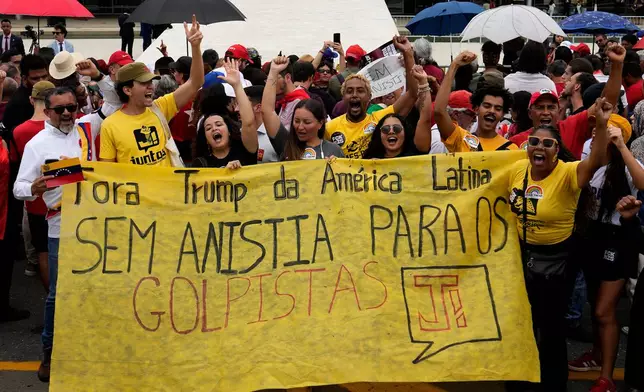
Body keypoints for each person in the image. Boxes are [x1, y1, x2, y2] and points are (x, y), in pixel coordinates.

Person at [506, 97, 612, 392]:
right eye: (534, 142)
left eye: (547, 144)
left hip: (558, 263)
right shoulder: (517, 170)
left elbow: (599, 159)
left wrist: (602, 123)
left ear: (556, 152)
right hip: (521, 260)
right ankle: (519, 383)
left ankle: (553, 386)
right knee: (522, 326)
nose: (539, 147)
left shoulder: (568, 172)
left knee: (551, 330)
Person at [568, 119, 644, 392]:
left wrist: (622, 145)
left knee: (603, 310)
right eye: (594, 129)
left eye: (601, 130)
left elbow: (642, 182)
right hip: (592, 236)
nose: (594, 133)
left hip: (619, 239)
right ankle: (597, 356)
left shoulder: (626, 162)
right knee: (593, 300)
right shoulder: (591, 155)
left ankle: (606, 377)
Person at [100, 15, 205, 168]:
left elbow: (196, 82)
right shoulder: (110, 125)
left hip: (169, 190)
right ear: (127, 90)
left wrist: (195, 47)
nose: (151, 86)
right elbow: (107, 172)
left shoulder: (160, 108)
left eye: (151, 82)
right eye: (143, 83)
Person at [510, 45, 625, 158]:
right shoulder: (516, 142)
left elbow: (605, 104)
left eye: (551, 107)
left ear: (558, 110)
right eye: (540, 107)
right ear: (530, 113)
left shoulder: (571, 127)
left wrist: (617, 65)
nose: (546, 112)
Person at [324, 36, 418, 159]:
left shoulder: (381, 119)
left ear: (369, 97)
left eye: (360, 90)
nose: (355, 95)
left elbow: (412, 94)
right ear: (343, 97)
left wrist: (408, 54)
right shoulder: (330, 128)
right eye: (349, 91)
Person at [12, 81, 55, 291]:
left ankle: (50, 296)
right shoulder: (62, 127)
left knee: (43, 252)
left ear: (32, 100)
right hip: (62, 200)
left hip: (36, 202)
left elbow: (19, 164)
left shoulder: (19, 131)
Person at [435, 51, 517, 152]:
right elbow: (439, 112)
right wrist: (454, 65)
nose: (492, 111)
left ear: (503, 114)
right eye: (487, 106)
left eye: (498, 108)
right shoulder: (461, 139)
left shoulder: (511, 150)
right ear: (477, 109)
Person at [192, 59, 258, 169]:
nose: (214, 129)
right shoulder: (200, 164)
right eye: (208, 128)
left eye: (219, 124)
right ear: (205, 139)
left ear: (229, 131)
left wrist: (237, 85)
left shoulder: (245, 149)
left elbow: (249, 123)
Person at [364, 66, 434, 158]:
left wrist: (423, 82)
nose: (391, 131)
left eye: (397, 128)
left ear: (405, 133)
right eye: (385, 129)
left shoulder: (415, 152)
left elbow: (425, 119)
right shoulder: (370, 160)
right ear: (379, 135)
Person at [2, 55, 48, 135]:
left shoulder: (52, 94)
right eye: (35, 78)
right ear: (24, 79)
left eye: (44, 77)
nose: (42, 82)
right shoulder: (17, 104)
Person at [267, 57, 310, 130]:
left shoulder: (299, 102)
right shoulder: (286, 99)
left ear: (287, 77)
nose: (271, 84)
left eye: (274, 79)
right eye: (268, 80)